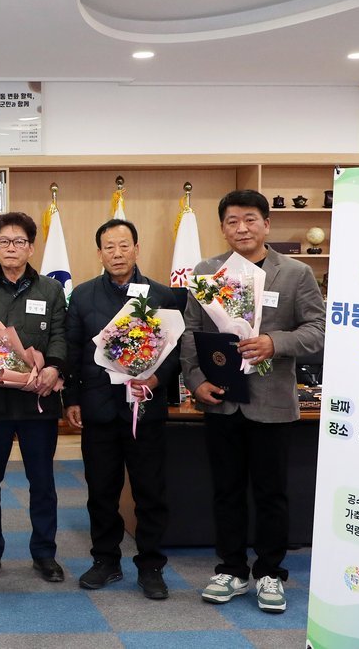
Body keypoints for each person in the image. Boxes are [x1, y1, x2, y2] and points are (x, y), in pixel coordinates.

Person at [180, 189, 325, 613]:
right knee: (225, 490)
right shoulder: (207, 272)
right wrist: (195, 380)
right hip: (221, 399)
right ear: (222, 228)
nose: (241, 228)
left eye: (249, 220)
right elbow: (190, 331)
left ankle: (269, 572)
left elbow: (318, 329)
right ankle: (230, 568)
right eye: (232, 221)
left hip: (272, 401)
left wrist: (275, 343)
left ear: (266, 224)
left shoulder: (296, 273)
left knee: (270, 492)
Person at [64, 218, 179, 599]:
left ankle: (151, 566)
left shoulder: (162, 295)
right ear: (99, 253)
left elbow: (176, 352)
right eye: (109, 247)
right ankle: (105, 560)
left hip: (145, 409)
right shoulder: (83, 296)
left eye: (124, 245)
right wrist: (71, 400)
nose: (117, 253)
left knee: (150, 491)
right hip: (98, 409)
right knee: (101, 491)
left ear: (136, 249)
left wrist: (156, 379)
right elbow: (73, 351)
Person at [0, 212, 67, 583]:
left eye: (19, 241)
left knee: (42, 482)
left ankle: (45, 554)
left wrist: (54, 367)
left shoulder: (51, 290)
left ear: (31, 248)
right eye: (4, 242)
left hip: (38, 398)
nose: (12, 248)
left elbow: (60, 335)